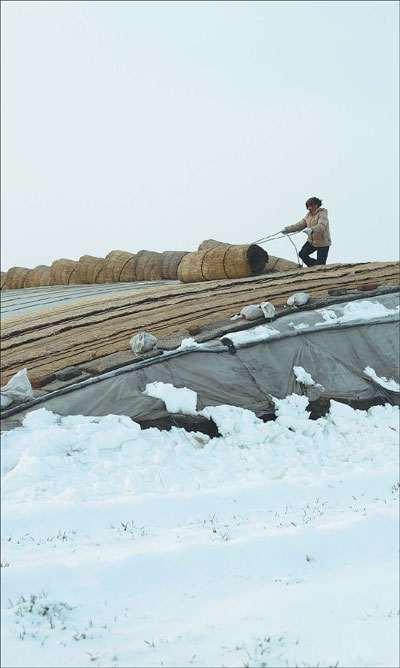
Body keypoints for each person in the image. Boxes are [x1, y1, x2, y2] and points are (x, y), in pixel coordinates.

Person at [282, 197, 331, 266]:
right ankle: (313, 266)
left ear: (316, 205)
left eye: (310, 206)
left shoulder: (322, 214)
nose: (308, 208)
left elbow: (321, 225)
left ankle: (318, 266)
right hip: (311, 242)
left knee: (321, 265)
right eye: (308, 206)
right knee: (302, 254)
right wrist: (287, 229)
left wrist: (312, 230)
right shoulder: (308, 216)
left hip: (323, 243)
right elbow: (299, 225)